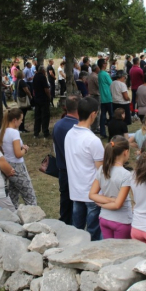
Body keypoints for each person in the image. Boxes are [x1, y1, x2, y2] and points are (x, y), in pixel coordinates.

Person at [65, 96, 104, 241]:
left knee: (77, 231)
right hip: (91, 193)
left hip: (76, 191)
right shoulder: (93, 140)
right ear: (93, 114)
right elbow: (101, 171)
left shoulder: (69, 134)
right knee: (93, 232)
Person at [88, 136, 132, 239]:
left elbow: (92, 194)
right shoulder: (125, 175)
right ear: (125, 152)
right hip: (121, 221)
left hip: (104, 219)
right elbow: (117, 205)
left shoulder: (102, 169)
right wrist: (111, 200)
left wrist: (102, 203)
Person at [0, 108, 38, 208]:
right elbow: (18, 154)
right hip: (18, 167)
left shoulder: (2, 131)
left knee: (13, 195)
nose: (21, 122)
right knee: (30, 196)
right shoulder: (14, 133)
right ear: (15, 120)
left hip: (8, 164)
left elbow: (3, 148)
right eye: (21, 119)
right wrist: (25, 149)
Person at [53, 95, 80, 225]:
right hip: (75, 171)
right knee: (78, 204)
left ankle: (64, 224)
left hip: (62, 169)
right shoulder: (77, 128)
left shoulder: (58, 125)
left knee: (65, 202)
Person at [32, 66, 51, 138]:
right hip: (43, 99)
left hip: (37, 98)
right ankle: (45, 132)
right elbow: (46, 89)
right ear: (43, 71)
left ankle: (36, 132)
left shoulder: (35, 77)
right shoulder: (43, 77)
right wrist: (49, 97)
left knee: (37, 116)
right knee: (45, 116)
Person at [98, 58, 113, 138]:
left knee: (103, 116)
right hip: (108, 97)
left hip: (103, 97)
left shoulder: (99, 74)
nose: (106, 63)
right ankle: (112, 131)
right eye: (105, 63)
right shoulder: (105, 74)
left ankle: (102, 132)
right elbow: (111, 83)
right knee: (112, 115)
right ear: (103, 65)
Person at [87, 64, 101, 134]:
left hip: (92, 95)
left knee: (94, 111)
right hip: (95, 95)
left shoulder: (90, 75)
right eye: (98, 68)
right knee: (96, 112)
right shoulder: (95, 76)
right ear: (96, 69)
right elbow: (99, 86)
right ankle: (95, 127)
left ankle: (94, 127)